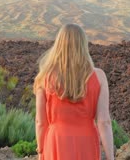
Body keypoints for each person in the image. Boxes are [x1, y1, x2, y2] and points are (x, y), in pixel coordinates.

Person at [33, 23, 114, 160]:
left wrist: (41, 150)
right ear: (83, 45)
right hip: (86, 141)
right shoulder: (99, 77)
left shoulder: (44, 77)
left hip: (56, 141)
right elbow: (104, 121)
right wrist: (110, 157)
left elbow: (40, 122)